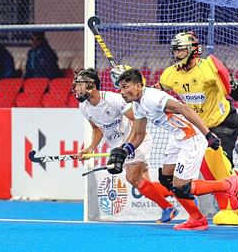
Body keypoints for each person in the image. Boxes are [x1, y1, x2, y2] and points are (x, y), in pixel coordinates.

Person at [156, 31, 238, 225]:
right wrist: (134, 85)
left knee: (219, 165)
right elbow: (156, 91)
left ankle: (235, 211)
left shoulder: (208, 69)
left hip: (223, 122)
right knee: (218, 168)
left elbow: (235, 89)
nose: (177, 54)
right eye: (175, 50)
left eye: (181, 50)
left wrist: (236, 86)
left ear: (193, 50)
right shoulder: (169, 74)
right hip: (200, 128)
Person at [114, 68, 238, 230]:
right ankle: (197, 219)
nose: (122, 92)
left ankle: (228, 184)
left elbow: (185, 109)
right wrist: (124, 151)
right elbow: (139, 134)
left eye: (126, 87)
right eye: (120, 88)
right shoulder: (138, 105)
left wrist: (208, 134)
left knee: (182, 187)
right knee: (167, 180)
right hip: (177, 137)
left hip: (191, 136)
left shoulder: (152, 98)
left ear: (138, 86)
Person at [72, 68, 178, 223]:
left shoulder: (113, 100)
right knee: (144, 183)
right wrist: (90, 148)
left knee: (132, 178)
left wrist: (126, 147)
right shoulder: (84, 107)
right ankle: (181, 193)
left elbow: (136, 121)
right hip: (119, 147)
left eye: (79, 85)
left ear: (91, 86)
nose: (76, 88)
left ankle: (169, 206)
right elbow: (97, 129)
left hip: (135, 141)